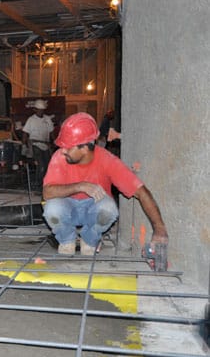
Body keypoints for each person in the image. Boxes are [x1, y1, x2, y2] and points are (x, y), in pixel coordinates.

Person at [42, 112, 169, 272]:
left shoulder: (107, 160)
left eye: (68, 147)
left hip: (93, 211)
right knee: (52, 209)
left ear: (84, 148)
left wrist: (160, 229)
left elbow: (141, 192)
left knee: (109, 210)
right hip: (69, 208)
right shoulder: (60, 157)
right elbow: (47, 192)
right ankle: (67, 240)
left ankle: (90, 239)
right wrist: (80, 186)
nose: (63, 151)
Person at [21, 99, 55, 186]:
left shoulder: (47, 119)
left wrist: (54, 143)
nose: (41, 111)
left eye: (42, 110)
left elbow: (51, 132)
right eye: (39, 109)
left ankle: (45, 183)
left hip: (46, 145)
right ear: (35, 109)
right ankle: (38, 183)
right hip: (35, 144)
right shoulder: (31, 120)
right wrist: (24, 145)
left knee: (47, 166)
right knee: (41, 165)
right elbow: (25, 133)